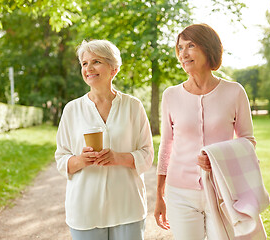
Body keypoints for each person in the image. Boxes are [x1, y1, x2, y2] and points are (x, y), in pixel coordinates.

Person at [154, 23, 256, 240]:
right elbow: (166, 145)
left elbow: (248, 140)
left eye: (190, 45)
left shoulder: (234, 92)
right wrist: (159, 195)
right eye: (180, 48)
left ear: (208, 49)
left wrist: (218, 158)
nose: (183, 53)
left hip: (223, 191)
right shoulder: (170, 95)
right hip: (180, 192)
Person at [55, 39, 154, 240]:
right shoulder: (72, 109)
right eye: (84, 63)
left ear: (113, 69)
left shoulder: (133, 106)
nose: (89, 68)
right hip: (85, 209)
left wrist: (118, 158)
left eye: (96, 61)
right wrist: (80, 161)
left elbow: (147, 153)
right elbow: (61, 158)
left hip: (128, 207)